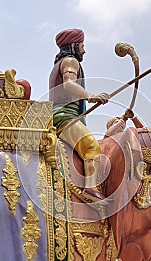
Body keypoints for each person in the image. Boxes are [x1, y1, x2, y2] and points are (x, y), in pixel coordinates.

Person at [49, 28, 109, 202]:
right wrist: (90, 96)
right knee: (91, 147)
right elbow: (68, 84)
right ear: (74, 45)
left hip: (62, 114)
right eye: (82, 46)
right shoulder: (70, 62)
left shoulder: (57, 66)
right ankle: (90, 188)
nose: (84, 50)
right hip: (65, 115)